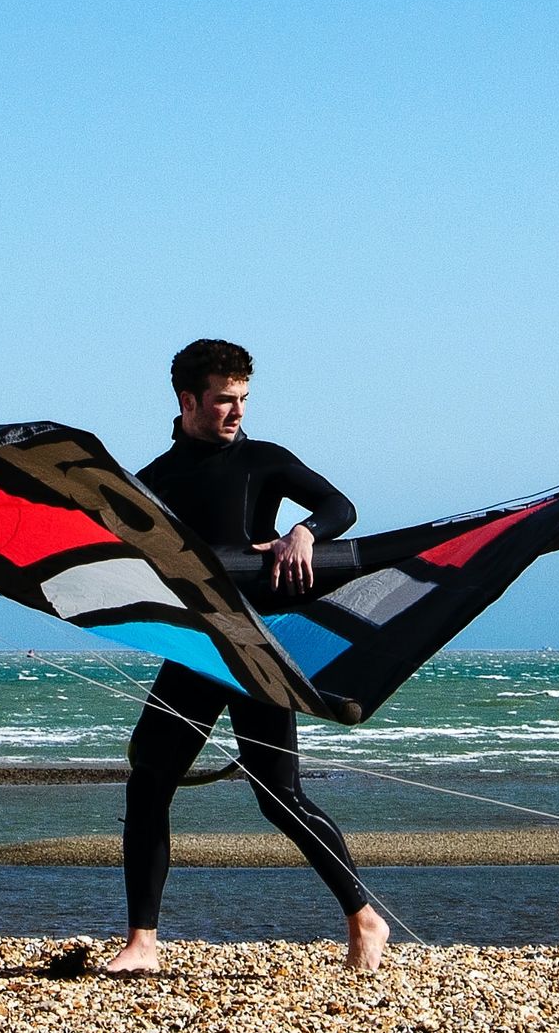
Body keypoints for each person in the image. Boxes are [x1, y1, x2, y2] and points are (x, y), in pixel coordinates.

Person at [99, 337, 389, 975]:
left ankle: (364, 916)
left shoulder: (263, 460)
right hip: (198, 646)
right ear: (188, 400)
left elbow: (340, 506)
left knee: (279, 793)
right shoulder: (153, 482)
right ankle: (142, 942)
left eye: (244, 400)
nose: (237, 413)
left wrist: (302, 533)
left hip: (259, 646)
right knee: (149, 783)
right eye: (225, 401)